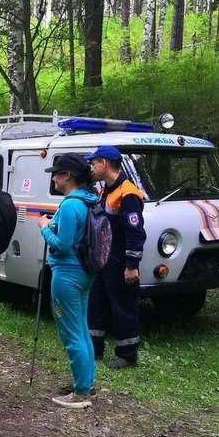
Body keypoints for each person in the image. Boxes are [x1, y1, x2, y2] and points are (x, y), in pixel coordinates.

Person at [38, 154, 99, 408]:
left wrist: (43, 227)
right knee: (82, 330)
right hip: (84, 272)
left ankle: (81, 393)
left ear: (68, 176)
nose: (53, 177)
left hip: (67, 274)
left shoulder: (71, 205)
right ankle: (87, 384)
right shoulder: (88, 201)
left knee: (71, 333)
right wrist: (54, 226)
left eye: (57, 173)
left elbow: (62, 246)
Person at [86, 146, 146, 369]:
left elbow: (135, 232)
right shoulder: (106, 191)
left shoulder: (128, 193)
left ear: (104, 164)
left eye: (94, 163)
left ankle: (127, 355)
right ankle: (94, 349)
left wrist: (132, 265)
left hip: (120, 261)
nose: (91, 167)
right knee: (96, 304)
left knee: (123, 307)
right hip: (103, 260)